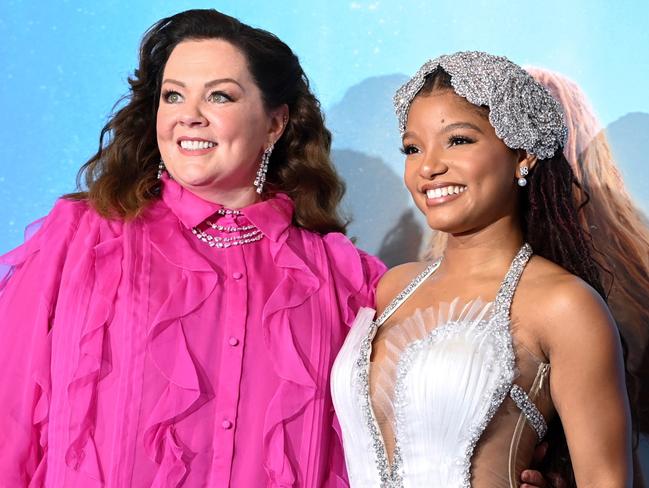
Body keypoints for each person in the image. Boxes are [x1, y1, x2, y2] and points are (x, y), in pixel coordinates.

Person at [0, 9, 387, 487]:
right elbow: (9, 419)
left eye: (219, 95)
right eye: (173, 95)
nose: (189, 115)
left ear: (275, 123)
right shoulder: (82, 238)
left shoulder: (342, 277)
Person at [331, 51, 632, 487]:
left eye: (458, 140)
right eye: (413, 148)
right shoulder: (392, 287)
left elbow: (606, 479)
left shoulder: (564, 305)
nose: (429, 167)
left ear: (523, 154)